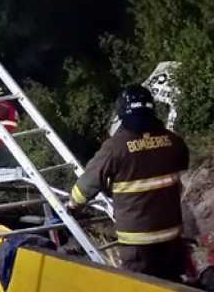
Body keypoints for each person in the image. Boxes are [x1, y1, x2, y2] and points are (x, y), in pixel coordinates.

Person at [67, 85, 190, 282]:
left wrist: (73, 205)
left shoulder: (115, 147)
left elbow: (87, 184)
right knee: (173, 283)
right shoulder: (173, 141)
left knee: (140, 285)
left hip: (137, 242)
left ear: (122, 112)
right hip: (172, 235)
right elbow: (181, 170)